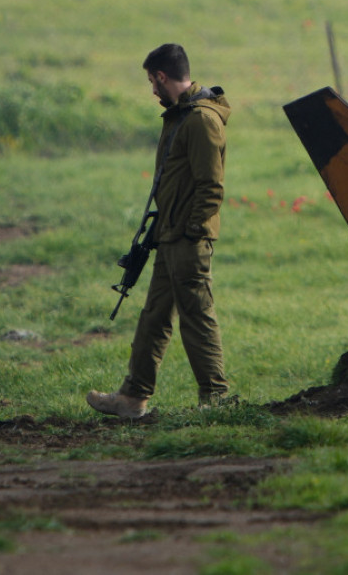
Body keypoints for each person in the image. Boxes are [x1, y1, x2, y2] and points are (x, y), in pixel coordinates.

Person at [87, 43, 231, 419]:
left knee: (196, 316)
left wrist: (192, 230)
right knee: (154, 316)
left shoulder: (201, 120)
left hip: (187, 239)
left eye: (153, 81)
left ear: (163, 77)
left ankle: (216, 399)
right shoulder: (181, 116)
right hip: (169, 237)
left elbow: (211, 186)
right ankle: (133, 397)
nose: (152, 90)